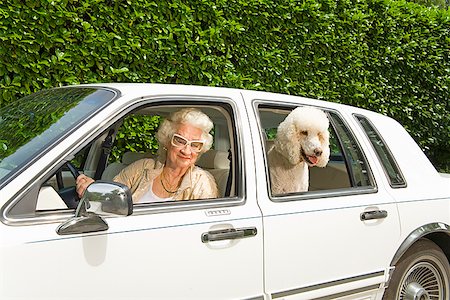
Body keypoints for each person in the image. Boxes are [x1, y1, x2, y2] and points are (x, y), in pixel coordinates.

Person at [76, 108, 219, 203]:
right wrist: (94, 190)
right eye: (180, 141)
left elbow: (201, 227)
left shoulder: (202, 182)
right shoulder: (142, 168)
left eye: (195, 145)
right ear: (167, 141)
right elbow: (111, 198)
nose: (186, 151)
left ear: (201, 149)